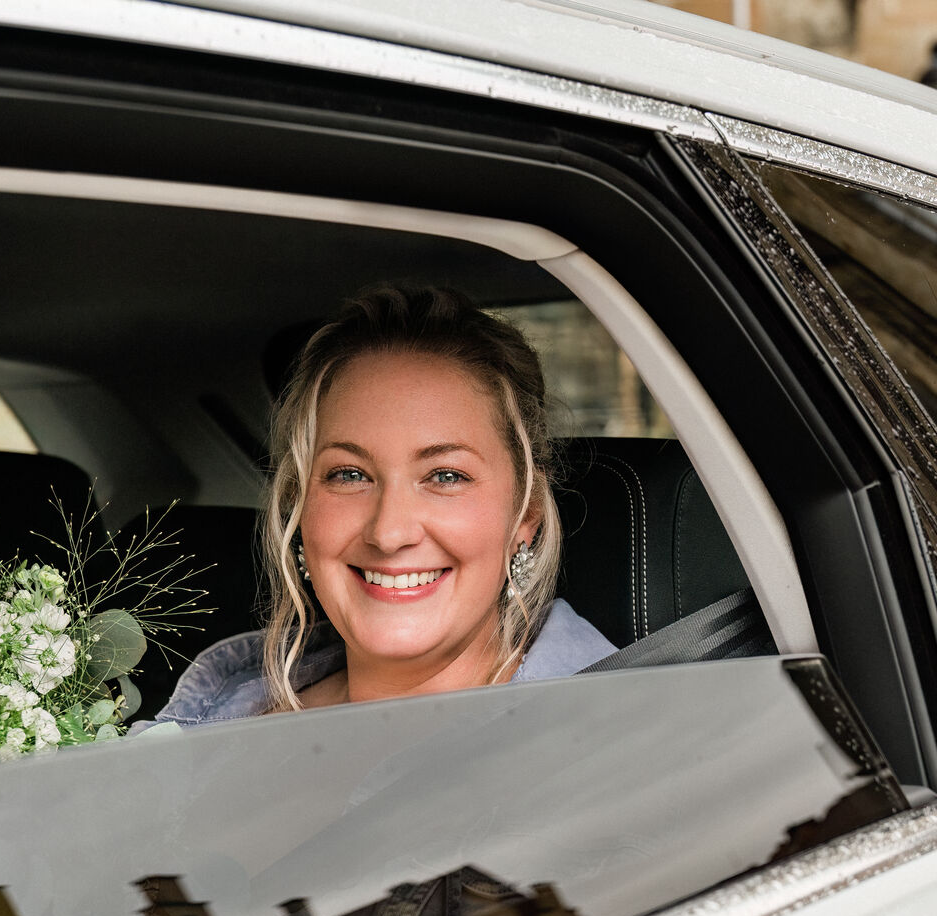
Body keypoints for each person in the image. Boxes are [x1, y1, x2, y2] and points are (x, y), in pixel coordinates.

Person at [152, 285, 615, 726]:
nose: (389, 533)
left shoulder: (615, 746)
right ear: (300, 504)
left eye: (445, 476)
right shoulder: (219, 704)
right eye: (349, 475)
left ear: (525, 514)